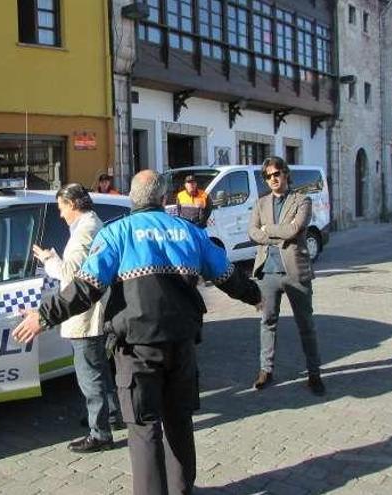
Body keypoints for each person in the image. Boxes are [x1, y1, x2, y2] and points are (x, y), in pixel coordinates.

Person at [14, 170, 261, 495]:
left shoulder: (116, 234)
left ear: (132, 199)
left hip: (136, 350)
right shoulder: (189, 232)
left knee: (144, 428)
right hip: (181, 345)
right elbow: (227, 275)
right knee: (179, 421)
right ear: (163, 199)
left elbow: (85, 288)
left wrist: (44, 316)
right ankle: (181, 490)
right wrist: (257, 297)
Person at [31, 184, 123, 453]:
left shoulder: (85, 231)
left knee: (89, 374)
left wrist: (50, 261)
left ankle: (100, 433)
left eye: (61, 208)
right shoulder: (91, 225)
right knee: (99, 369)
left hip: (85, 315)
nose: (60, 215)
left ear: (72, 204)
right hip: (92, 310)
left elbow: (74, 277)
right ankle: (111, 415)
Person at [249, 156, 325, 396]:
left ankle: (314, 375)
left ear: (285, 174)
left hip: (295, 273)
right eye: (268, 176)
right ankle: (266, 371)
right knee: (267, 323)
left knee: (306, 325)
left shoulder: (303, 200)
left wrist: (268, 230)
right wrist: (275, 234)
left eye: (276, 174)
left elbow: (294, 230)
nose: (273, 179)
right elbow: (252, 232)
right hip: (267, 273)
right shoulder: (260, 203)